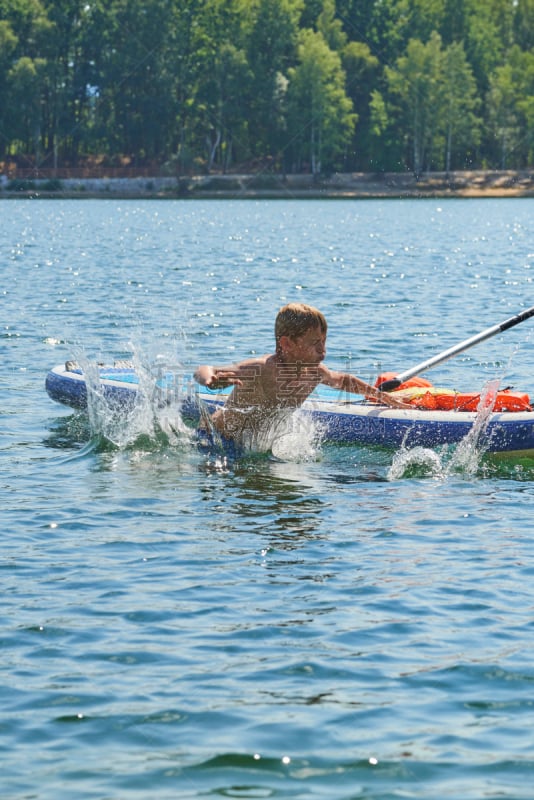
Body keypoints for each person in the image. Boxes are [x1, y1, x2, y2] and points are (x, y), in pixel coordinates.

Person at [194, 302, 409, 446]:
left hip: (249, 447)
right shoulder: (262, 369)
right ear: (287, 343)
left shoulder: (313, 373)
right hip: (215, 440)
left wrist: (380, 396)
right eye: (315, 343)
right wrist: (209, 379)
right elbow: (203, 370)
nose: (322, 350)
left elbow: (342, 380)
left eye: (324, 342)